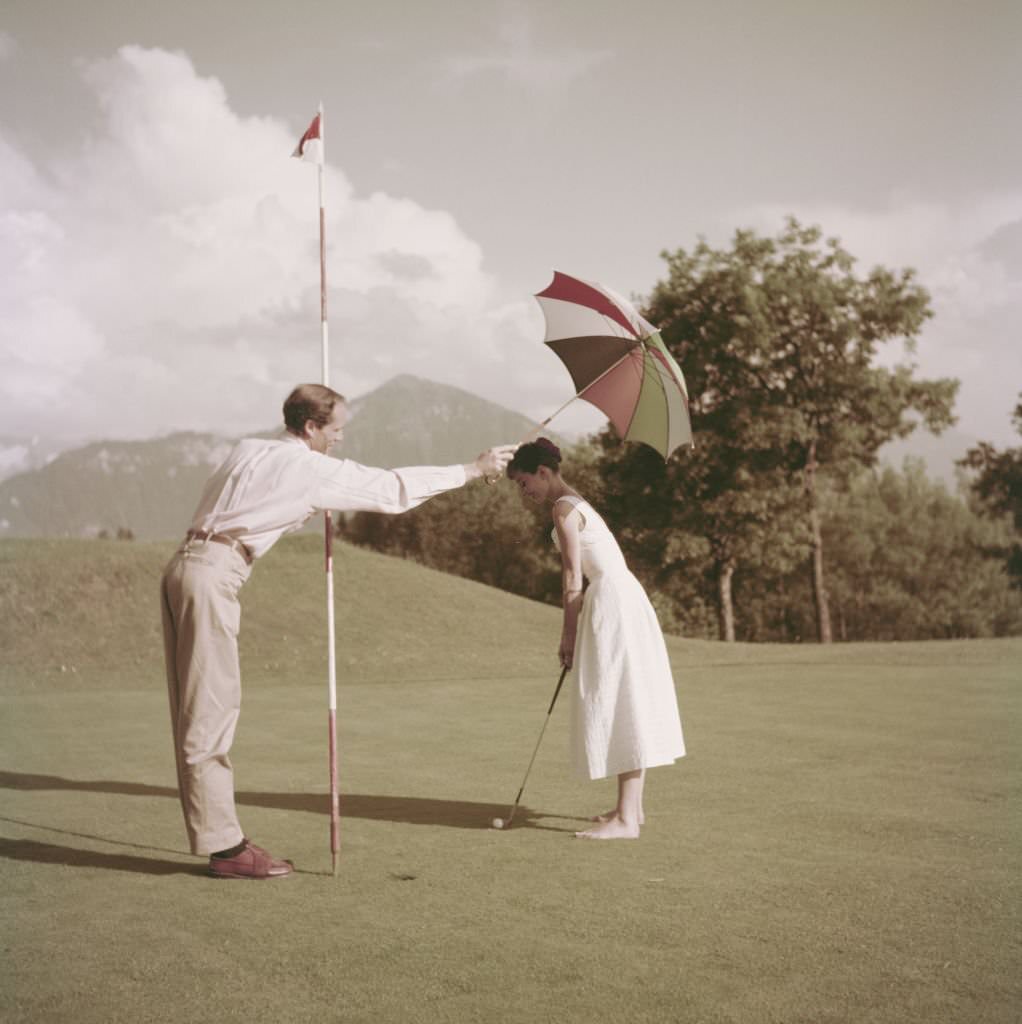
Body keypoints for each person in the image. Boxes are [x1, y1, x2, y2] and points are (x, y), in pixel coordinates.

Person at [160, 383, 516, 879]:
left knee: (196, 709)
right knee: (211, 710)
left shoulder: (247, 448)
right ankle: (226, 849)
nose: (340, 439)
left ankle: (219, 840)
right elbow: (391, 490)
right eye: (336, 430)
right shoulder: (308, 467)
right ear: (310, 427)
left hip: (184, 565)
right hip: (216, 573)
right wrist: (473, 470)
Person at [507, 438, 685, 840]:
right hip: (620, 597)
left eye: (523, 483)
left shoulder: (562, 508)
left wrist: (568, 636)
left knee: (622, 696)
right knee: (626, 694)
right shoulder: (573, 501)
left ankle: (625, 819)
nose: (524, 492)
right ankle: (631, 809)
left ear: (543, 472)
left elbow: (572, 577)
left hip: (613, 602)